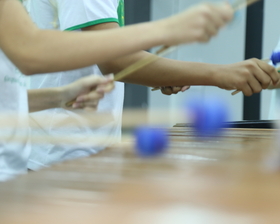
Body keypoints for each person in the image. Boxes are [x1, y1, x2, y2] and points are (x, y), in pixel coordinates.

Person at [26, 0, 280, 171]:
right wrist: (219, 74)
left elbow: (104, 56)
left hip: (73, 144)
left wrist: (167, 74)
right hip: (61, 149)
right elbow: (115, 59)